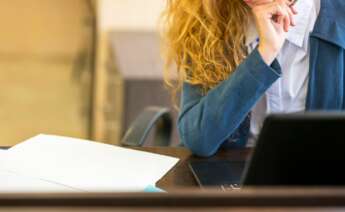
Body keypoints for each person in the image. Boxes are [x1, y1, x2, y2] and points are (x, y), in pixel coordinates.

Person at [161, 0, 345, 157]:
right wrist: (265, 54)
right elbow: (199, 138)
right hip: (232, 176)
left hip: (320, 179)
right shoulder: (208, 16)